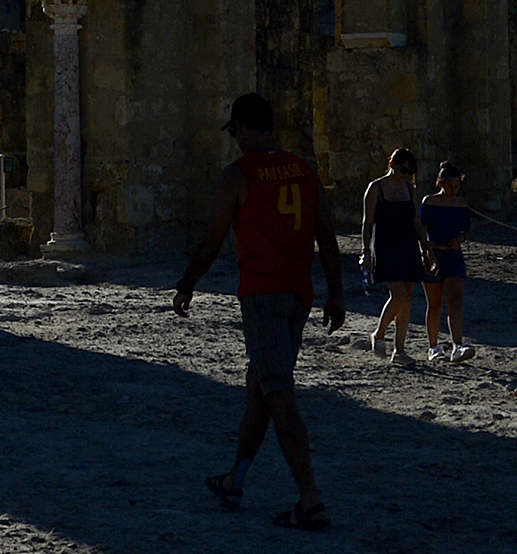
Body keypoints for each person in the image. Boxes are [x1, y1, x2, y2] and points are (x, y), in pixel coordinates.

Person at [173, 92, 349, 529]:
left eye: (233, 130)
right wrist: (336, 294)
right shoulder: (304, 171)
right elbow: (326, 237)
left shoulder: (237, 176)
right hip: (299, 295)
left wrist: (187, 284)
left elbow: (212, 240)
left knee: (279, 395)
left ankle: (310, 499)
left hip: (262, 294)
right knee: (261, 386)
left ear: (242, 128)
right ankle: (236, 478)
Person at [359, 146, 430, 358]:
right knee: (398, 296)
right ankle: (379, 334)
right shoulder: (376, 188)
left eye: (410, 172)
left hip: (408, 244)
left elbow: (416, 220)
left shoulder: (409, 189)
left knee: (407, 297)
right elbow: (367, 222)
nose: (406, 175)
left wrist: (427, 248)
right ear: (392, 165)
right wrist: (365, 251)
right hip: (386, 245)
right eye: (403, 170)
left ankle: (399, 349)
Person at [418, 159, 476, 360]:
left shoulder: (461, 204)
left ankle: (457, 344)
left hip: (454, 255)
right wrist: (426, 250)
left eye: (457, 186)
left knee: (455, 300)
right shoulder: (429, 202)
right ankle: (433, 346)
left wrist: (460, 238)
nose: (454, 190)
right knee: (434, 304)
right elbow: (422, 228)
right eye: (450, 186)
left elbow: (467, 230)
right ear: (441, 184)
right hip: (434, 254)